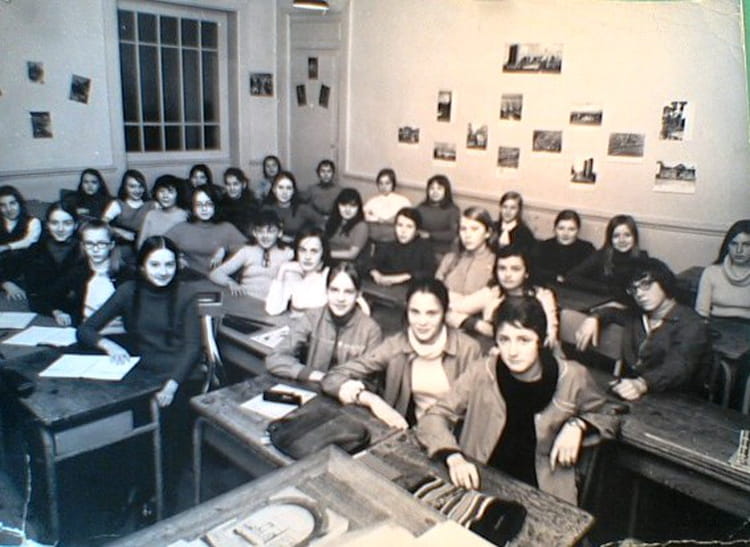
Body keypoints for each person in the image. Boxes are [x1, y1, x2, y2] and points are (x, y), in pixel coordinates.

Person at [416, 296, 619, 505]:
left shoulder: (572, 376)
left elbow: (610, 413)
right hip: (480, 480)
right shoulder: (482, 371)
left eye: (523, 340)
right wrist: (453, 457)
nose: (513, 351)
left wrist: (578, 425)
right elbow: (435, 415)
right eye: (505, 339)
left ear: (540, 340)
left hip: (544, 494)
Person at [76, 236, 203, 510]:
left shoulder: (186, 293)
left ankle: (161, 497)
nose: (163, 271)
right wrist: (107, 344)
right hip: (143, 375)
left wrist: (171, 386)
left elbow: (193, 348)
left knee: (166, 432)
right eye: (155, 264)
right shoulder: (128, 291)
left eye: (169, 264)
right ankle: (135, 489)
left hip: (181, 376)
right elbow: (85, 330)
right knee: (126, 430)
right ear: (142, 266)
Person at [322, 278, 482, 428]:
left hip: (455, 435)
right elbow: (333, 377)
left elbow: (478, 410)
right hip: (412, 431)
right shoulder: (396, 345)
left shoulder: (468, 349)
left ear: (445, 313)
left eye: (432, 313)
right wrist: (371, 400)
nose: (422, 322)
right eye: (415, 312)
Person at [575, 257, 711, 400]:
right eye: (633, 289)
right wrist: (594, 318)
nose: (639, 294)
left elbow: (678, 366)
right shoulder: (637, 316)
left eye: (646, 285)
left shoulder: (692, 324)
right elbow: (613, 312)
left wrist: (642, 384)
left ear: (664, 282)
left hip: (680, 400)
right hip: (639, 395)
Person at [266, 262, 382, 381]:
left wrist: (340, 385)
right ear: (326, 291)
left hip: (348, 391)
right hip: (312, 385)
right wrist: (317, 376)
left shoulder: (371, 330)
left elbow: (371, 380)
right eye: (334, 290)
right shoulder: (312, 317)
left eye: (348, 292)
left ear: (358, 294)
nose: (340, 298)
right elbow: (274, 358)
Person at [452, 246, 559, 348]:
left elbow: (550, 338)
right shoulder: (492, 293)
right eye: (502, 268)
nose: (507, 275)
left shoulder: (542, 296)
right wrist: (476, 324)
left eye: (515, 269)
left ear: (526, 273)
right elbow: (448, 309)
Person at [1, 202, 85, 317]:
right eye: (54, 223)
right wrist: (5, 283)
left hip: (80, 311)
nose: (60, 229)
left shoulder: (85, 250)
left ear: (76, 225)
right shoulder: (36, 249)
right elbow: (34, 295)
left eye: (67, 223)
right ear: (47, 225)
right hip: (47, 310)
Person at [53, 220, 132, 329]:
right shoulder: (78, 272)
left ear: (111, 245)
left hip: (118, 332)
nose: (95, 249)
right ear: (83, 246)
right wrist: (57, 312)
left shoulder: (126, 275)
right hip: (86, 331)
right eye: (89, 244)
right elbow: (50, 296)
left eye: (101, 244)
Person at [209, 209, 293, 299]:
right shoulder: (247, 252)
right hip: (246, 300)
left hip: (273, 303)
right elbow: (215, 274)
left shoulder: (287, 253)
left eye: (270, 232)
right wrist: (231, 283)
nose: (265, 236)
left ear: (279, 233)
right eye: (260, 231)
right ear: (254, 233)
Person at [165, 185, 246, 278]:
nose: (204, 209)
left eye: (208, 204)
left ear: (215, 206)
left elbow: (249, 251)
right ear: (193, 208)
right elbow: (159, 246)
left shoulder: (226, 228)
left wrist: (224, 249)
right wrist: (176, 259)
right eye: (199, 205)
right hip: (188, 279)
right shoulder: (181, 228)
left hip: (219, 280)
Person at [435, 207, 496, 324]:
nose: (467, 235)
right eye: (463, 229)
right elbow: (435, 292)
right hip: (443, 320)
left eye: (474, 229)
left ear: (488, 233)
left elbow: (490, 300)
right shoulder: (450, 258)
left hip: (477, 324)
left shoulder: (496, 263)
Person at [566, 214, 648, 299]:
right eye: (616, 236)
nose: (622, 240)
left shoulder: (642, 258)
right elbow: (571, 277)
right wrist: (604, 288)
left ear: (634, 237)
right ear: (610, 239)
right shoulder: (601, 256)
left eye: (627, 235)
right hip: (604, 301)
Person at [265, 225, 330, 316]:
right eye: (302, 250)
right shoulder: (291, 273)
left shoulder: (329, 275)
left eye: (314, 251)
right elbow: (272, 310)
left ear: (323, 253)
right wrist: (282, 270)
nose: (307, 257)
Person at [695, 219, 750, 321]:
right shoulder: (711, 272)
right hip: (715, 326)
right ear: (727, 245)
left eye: (746, 245)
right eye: (734, 244)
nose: (739, 250)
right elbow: (701, 313)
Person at [367, 207, 436, 286]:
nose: (403, 231)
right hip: (387, 289)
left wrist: (403, 277)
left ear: (417, 230)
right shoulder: (389, 244)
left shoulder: (424, 247)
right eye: (400, 225)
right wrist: (375, 273)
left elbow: (429, 272)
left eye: (409, 226)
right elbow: (370, 263)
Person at [534, 209, 595, 285]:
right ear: (554, 229)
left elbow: (591, 275)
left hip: (576, 289)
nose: (565, 233)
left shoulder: (587, 249)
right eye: (561, 228)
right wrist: (555, 277)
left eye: (571, 229)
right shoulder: (544, 246)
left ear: (578, 231)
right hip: (548, 285)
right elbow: (534, 270)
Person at [263, 171, 323, 243]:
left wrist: (308, 237)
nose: (284, 192)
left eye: (288, 188)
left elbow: (321, 223)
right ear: (274, 190)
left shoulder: (302, 208)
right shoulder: (267, 209)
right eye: (280, 187)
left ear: (293, 191)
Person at [102, 169, 155, 245]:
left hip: (146, 242)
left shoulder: (151, 204)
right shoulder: (117, 204)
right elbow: (102, 224)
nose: (137, 190)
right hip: (124, 243)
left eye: (140, 186)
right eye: (132, 186)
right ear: (125, 187)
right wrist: (120, 231)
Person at [137, 175, 189, 248]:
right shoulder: (151, 214)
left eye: (170, 192)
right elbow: (140, 244)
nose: (165, 196)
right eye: (161, 191)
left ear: (177, 194)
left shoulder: (185, 216)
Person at [0, 185, 42, 275]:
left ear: (19, 203)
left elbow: (29, 241)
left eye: (12, 203)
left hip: (24, 270)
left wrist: (5, 247)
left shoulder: (33, 222)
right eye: (3, 205)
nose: (8, 209)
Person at [415, 175, 460, 258]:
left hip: (441, 251)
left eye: (439, 188)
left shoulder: (452, 210)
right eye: (432, 188)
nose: (435, 192)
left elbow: (453, 234)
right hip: (420, 247)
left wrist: (430, 235)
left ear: (446, 191)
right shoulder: (421, 207)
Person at [363, 168, 411, 244]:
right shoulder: (372, 201)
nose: (384, 186)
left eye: (387, 183)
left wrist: (390, 220)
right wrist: (377, 219)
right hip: (375, 237)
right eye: (381, 183)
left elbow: (408, 218)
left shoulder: (403, 200)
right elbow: (364, 214)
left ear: (393, 184)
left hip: (394, 238)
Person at [325, 188, 369, 263]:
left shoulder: (361, 226)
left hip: (347, 264)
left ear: (358, 208)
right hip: (326, 260)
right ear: (337, 205)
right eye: (343, 205)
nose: (347, 209)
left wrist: (324, 254)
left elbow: (352, 254)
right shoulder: (333, 220)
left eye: (352, 206)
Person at [218, 167, 258, 234]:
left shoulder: (251, 203)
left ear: (243, 185)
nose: (232, 188)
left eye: (235, 184)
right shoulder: (221, 203)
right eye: (228, 184)